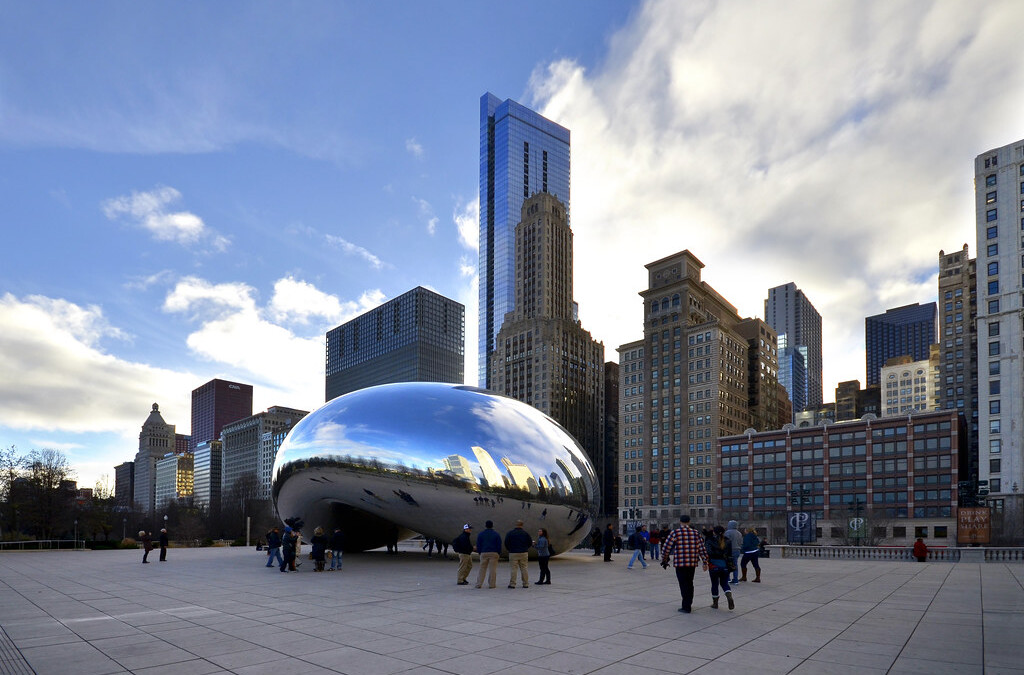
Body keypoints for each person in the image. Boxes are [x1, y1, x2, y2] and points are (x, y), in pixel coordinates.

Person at [660, 515, 708, 613]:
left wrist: (664, 559)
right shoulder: (696, 533)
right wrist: (705, 562)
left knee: (683, 584)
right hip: (692, 563)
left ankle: (686, 606)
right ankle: (688, 603)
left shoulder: (675, 533)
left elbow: (666, 548)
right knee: (690, 583)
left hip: (680, 563)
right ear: (689, 522)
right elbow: (702, 548)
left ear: (680, 522)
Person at [705, 525, 735, 610]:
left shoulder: (710, 540)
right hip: (725, 565)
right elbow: (730, 554)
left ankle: (715, 603)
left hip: (714, 565)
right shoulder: (728, 541)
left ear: (714, 532)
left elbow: (708, 552)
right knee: (724, 583)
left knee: (715, 584)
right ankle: (729, 596)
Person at [474, 520, 502, 589]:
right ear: (492, 526)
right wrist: (498, 552)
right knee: (493, 569)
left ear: (485, 526)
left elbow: (478, 544)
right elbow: (499, 545)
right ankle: (492, 584)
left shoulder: (481, 534)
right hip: (494, 553)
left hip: (484, 552)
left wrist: (480, 552)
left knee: (482, 569)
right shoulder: (496, 534)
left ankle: (479, 584)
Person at [504, 520, 532, 588]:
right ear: (522, 525)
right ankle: (525, 583)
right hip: (523, 552)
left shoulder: (510, 533)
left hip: (513, 552)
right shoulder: (526, 533)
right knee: (524, 568)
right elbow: (530, 543)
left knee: (513, 569)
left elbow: (506, 543)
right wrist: (525, 548)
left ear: (515, 525)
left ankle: (512, 584)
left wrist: (510, 549)